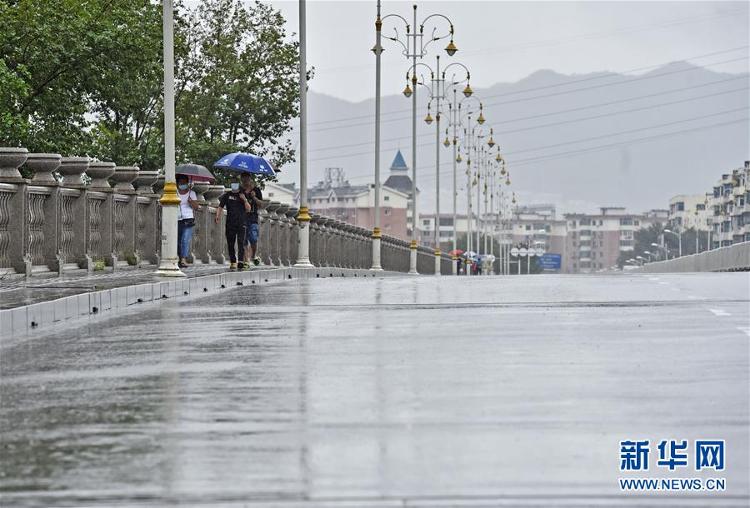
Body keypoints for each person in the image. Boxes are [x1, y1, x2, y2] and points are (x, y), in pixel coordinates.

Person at [215, 177, 252, 270]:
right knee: (230, 243)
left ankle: (240, 261)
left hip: (241, 222)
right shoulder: (227, 195)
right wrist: (217, 215)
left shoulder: (243, 195)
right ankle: (233, 261)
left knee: (241, 242)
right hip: (230, 222)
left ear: (238, 184)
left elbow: (248, 209)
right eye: (232, 183)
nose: (233, 184)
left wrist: (245, 200)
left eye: (235, 183)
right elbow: (220, 206)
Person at [240, 174, 264, 266]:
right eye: (243, 178)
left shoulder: (256, 190)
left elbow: (261, 204)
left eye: (247, 178)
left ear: (250, 179)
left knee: (253, 238)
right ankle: (246, 261)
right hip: (242, 218)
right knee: (244, 240)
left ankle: (253, 255)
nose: (245, 180)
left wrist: (254, 197)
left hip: (253, 218)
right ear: (241, 179)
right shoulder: (240, 191)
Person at [177, 174, 199, 268]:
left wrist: (191, 202)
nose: (182, 184)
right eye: (180, 182)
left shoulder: (192, 193)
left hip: (188, 219)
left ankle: (183, 259)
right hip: (177, 218)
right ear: (177, 183)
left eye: (184, 182)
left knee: (185, 239)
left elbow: (196, 207)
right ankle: (178, 258)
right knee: (178, 240)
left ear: (187, 183)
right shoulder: (174, 192)